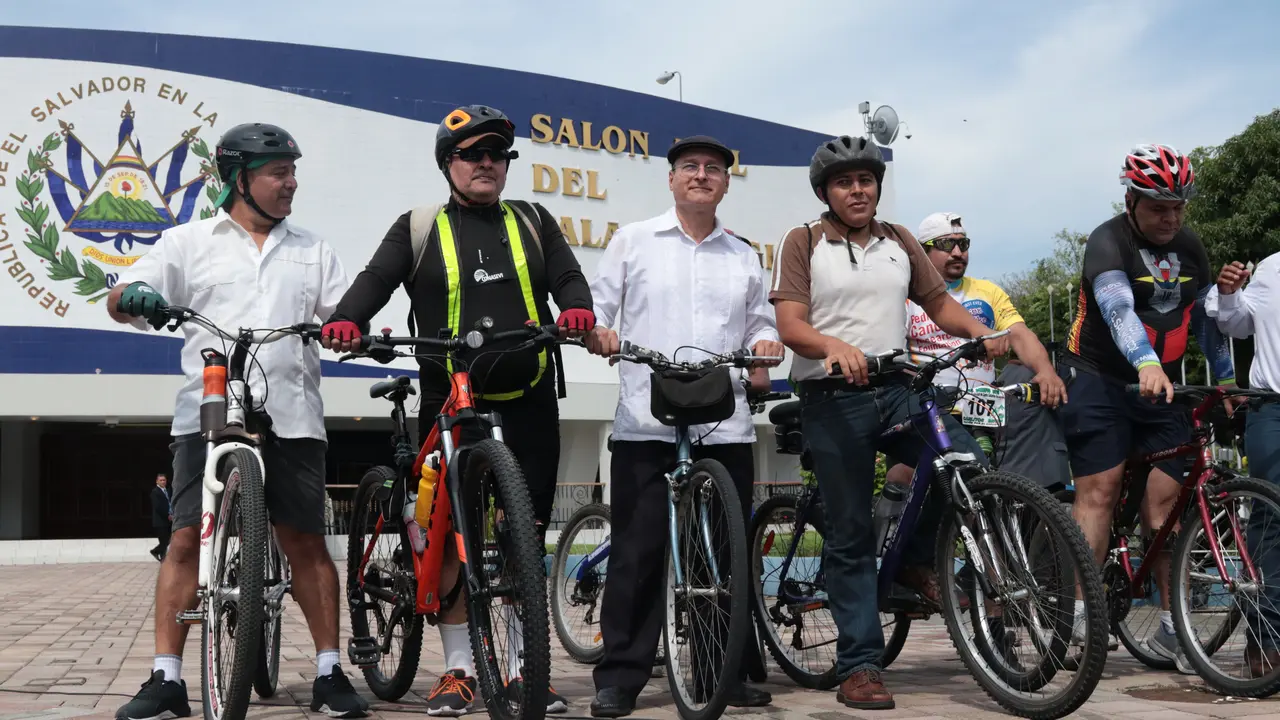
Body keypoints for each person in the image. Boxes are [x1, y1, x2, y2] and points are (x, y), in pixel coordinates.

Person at [322, 104, 593, 716]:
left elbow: (569, 277)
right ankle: (460, 670)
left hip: (530, 399)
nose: (487, 164)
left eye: (497, 154)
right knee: (445, 535)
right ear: (449, 163)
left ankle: (528, 670)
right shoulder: (418, 227)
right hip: (451, 400)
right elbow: (375, 278)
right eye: (473, 154)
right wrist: (346, 318)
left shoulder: (533, 219)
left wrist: (577, 309)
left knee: (523, 537)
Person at [107, 123, 367, 719]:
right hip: (208, 412)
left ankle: (330, 671)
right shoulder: (187, 242)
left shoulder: (311, 249)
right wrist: (135, 298)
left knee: (304, 541)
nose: (291, 183)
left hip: (294, 415)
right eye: (279, 172)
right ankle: (166, 677)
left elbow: (346, 311)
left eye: (293, 172)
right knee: (180, 541)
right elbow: (121, 295)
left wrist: (354, 329)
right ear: (237, 179)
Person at [769, 135, 1008, 710]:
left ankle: (919, 557)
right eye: (845, 182)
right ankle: (860, 666)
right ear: (826, 191)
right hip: (833, 396)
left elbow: (941, 305)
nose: (858, 190)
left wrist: (983, 335)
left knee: (963, 465)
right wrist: (831, 346)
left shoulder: (900, 241)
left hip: (899, 388)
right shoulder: (803, 241)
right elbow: (790, 324)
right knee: (850, 533)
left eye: (866, 180)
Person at [584, 135, 784, 718]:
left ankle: (721, 669)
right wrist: (601, 334)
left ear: (726, 182)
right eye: (690, 167)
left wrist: (763, 344)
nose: (702, 175)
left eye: (714, 169)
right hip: (648, 420)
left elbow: (758, 324)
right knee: (638, 552)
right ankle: (620, 674)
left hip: (724, 423)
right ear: (671, 179)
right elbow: (600, 310)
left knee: (723, 554)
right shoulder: (633, 241)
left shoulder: (742, 254)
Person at [1058, 143, 1234, 666]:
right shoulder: (1107, 241)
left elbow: (1204, 320)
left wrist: (1223, 380)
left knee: (1167, 507)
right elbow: (1117, 311)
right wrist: (1146, 362)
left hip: (1158, 386)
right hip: (1097, 379)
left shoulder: (1190, 246)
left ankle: (1170, 625)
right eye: (1159, 206)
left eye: (1179, 207)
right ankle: (1081, 620)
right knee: (1101, 491)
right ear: (1132, 199)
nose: (1171, 217)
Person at [885, 211, 1065, 487]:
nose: (958, 252)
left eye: (963, 244)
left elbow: (1019, 333)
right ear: (923, 252)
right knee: (907, 479)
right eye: (947, 245)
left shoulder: (988, 292)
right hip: (931, 409)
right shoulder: (907, 296)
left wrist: (1046, 371)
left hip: (984, 410)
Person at [1206, 257, 1280, 675]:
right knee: (1270, 520)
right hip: (1272, 409)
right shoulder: (1271, 269)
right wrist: (1230, 292)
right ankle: (1265, 642)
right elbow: (1235, 324)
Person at [149, 473, 172, 562]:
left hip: (168, 520)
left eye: (164, 480)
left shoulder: (168, 491)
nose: (163, 482)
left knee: (167, 541)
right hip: (160, 521)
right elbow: (158, 507)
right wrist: (168, 515)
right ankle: (155, 552)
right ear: (157, 481)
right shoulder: (155, 492)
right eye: (161, 480)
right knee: (164, 541)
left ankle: (163, 558)